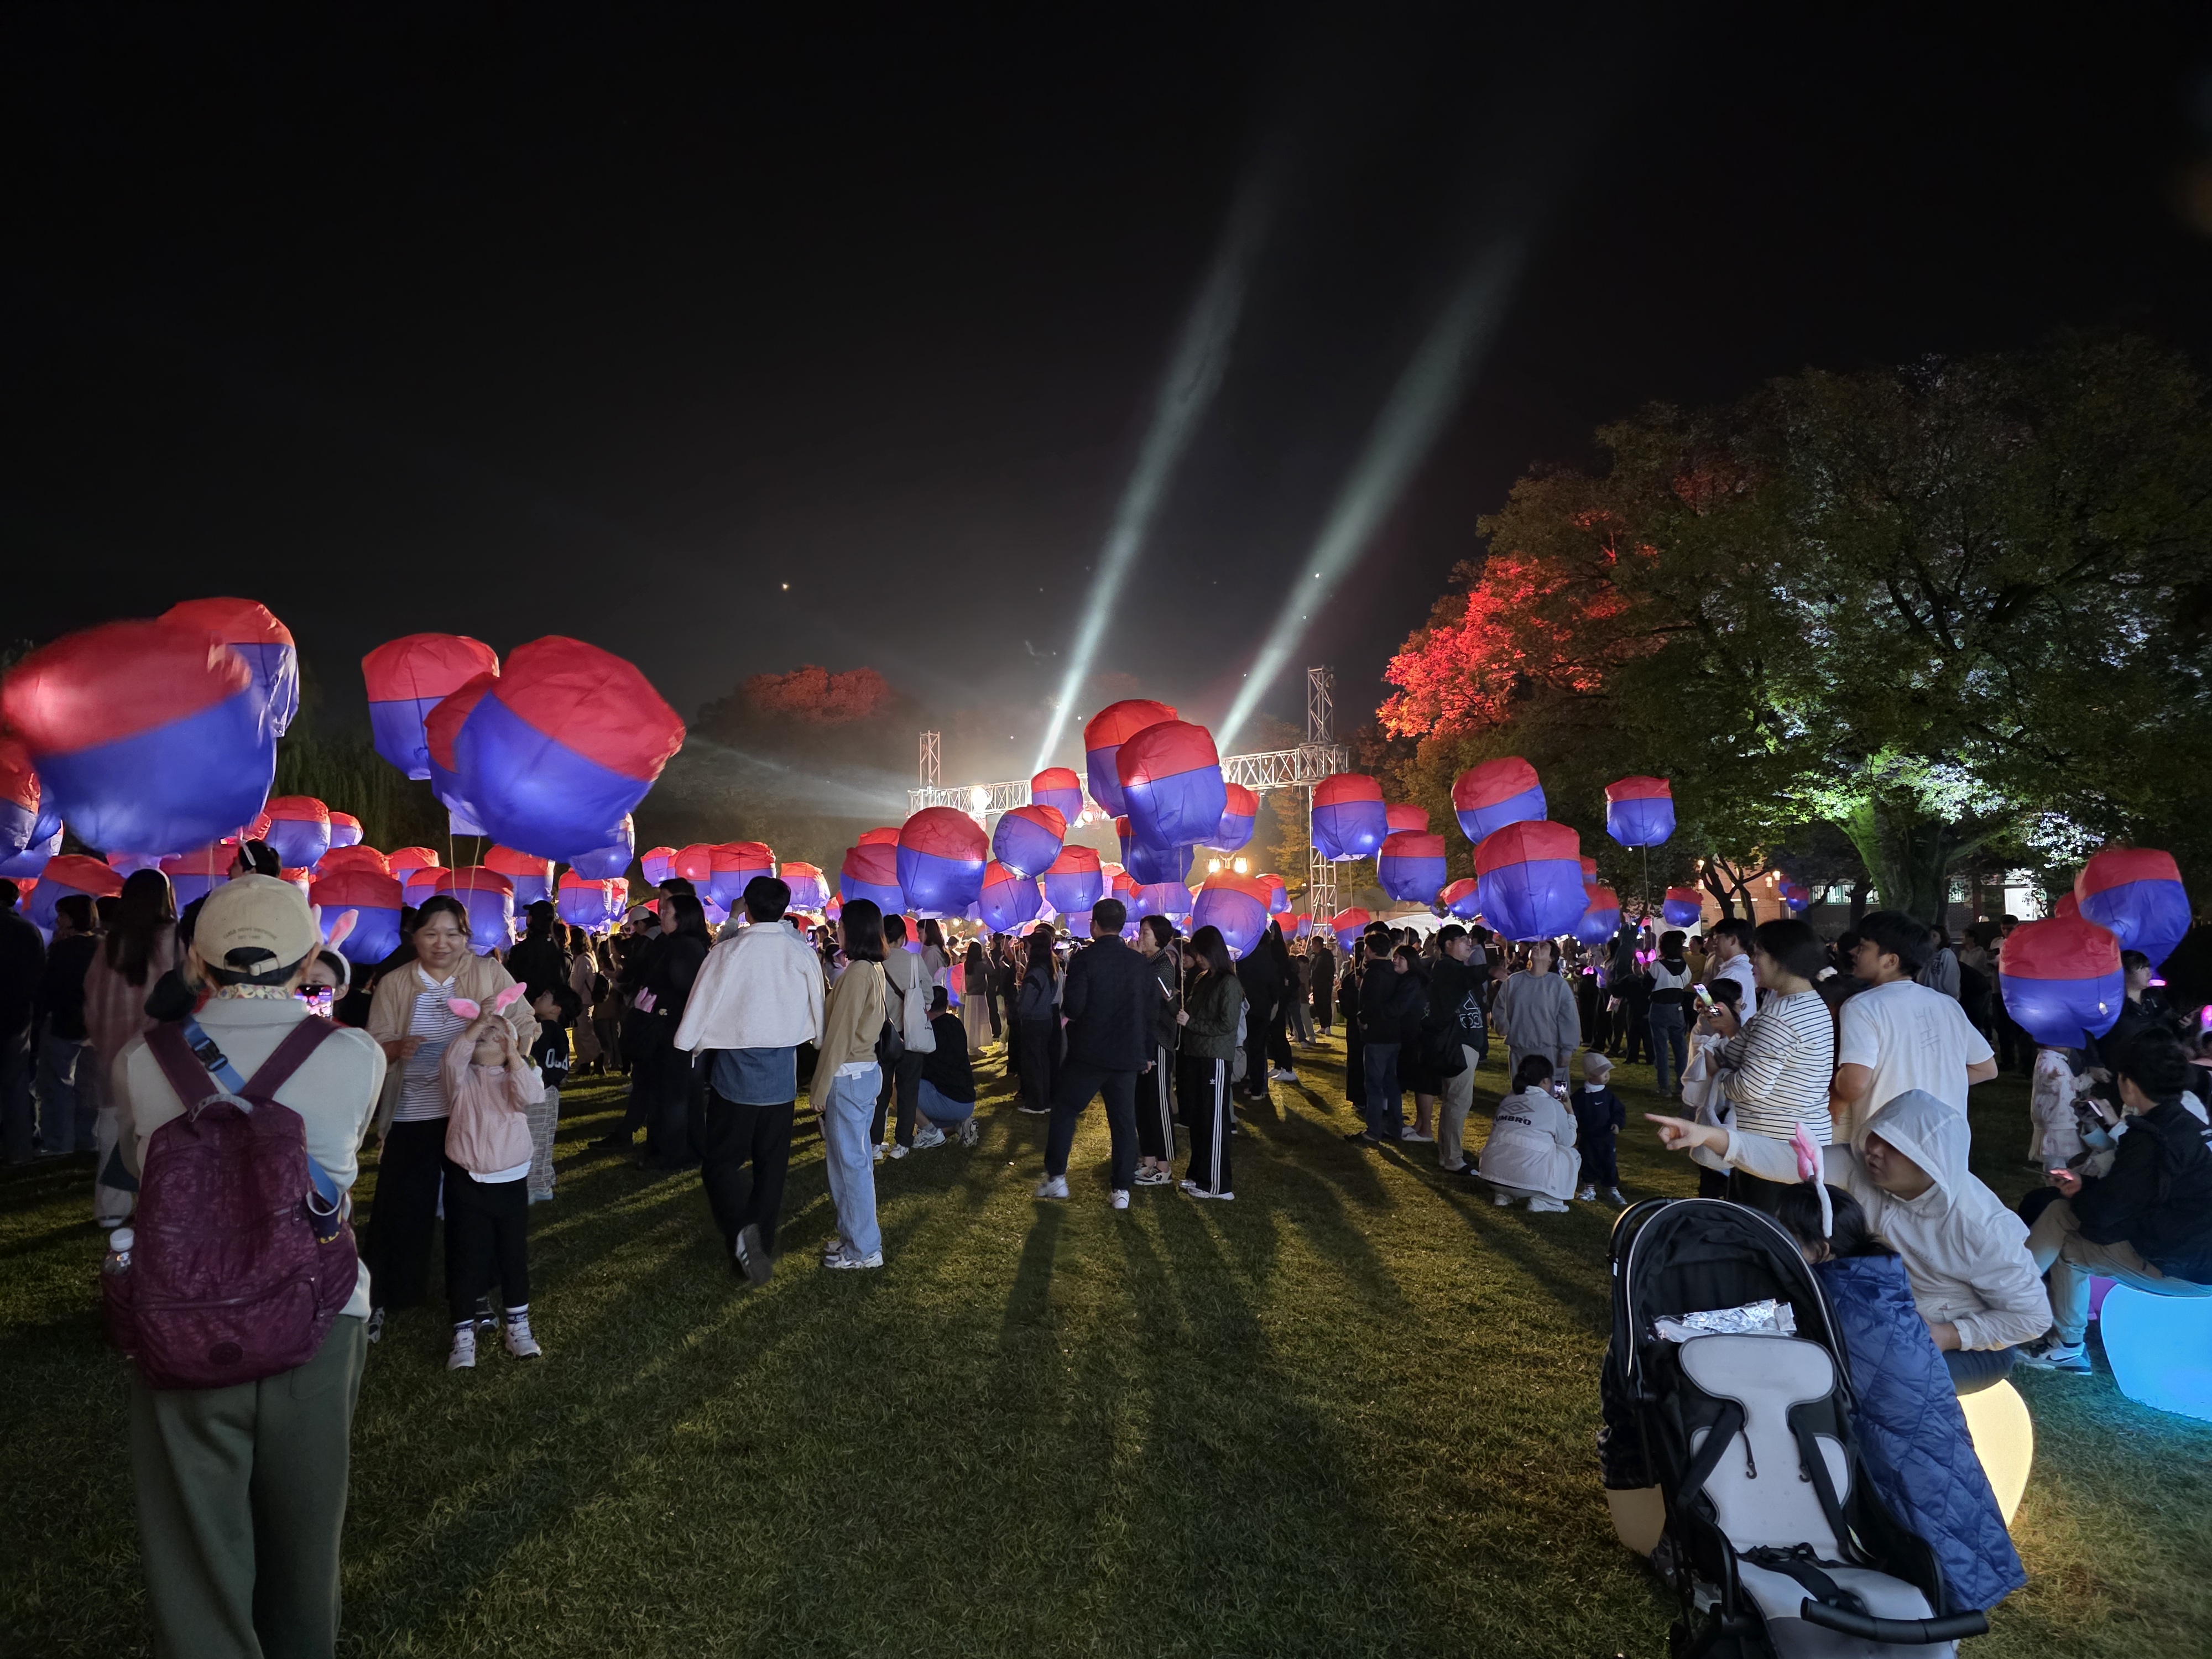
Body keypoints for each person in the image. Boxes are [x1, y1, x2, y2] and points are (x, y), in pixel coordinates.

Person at [111, 874, 385, 1658]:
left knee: (195, 1540)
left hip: (181, 1313)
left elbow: (138, 1164)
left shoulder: (143, 1059)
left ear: (196, 961)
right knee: (307, 1531)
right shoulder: (355, 1054)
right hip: (318, 1314)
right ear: (311, 960)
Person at [1649, 1088, 2049, 1394]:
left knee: (1856, 1379)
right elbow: (1786, 1161)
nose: (1874, 1150)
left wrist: (1949, 1335)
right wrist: (1709, 1135)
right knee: (1801, 1351)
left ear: (1931, 1162)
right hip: (1884, 1316)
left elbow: (2032, 1318)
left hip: (1969, 1345)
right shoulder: (1864, 1170)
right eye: (1876, 1135)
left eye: (1893, 1147)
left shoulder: (1981, 1227)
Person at [1768, 1181, 2027, 1615]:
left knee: (1919, 1499)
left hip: (1896, 1428)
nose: (1776, 1242)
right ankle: (1958, 1584)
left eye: (1786, 1235)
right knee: (1943, 1492)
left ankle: (1947, 1593)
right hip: (1919, 1419)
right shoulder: (1873, 1281)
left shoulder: (1841, 1301)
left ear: (1821, 1250)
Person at [362, 895, 533, 1339]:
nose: (442, 943)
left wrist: (509, 1058)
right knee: (400, 1206)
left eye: (453, 934)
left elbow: (525, 1021)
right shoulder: (394, 983)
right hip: (414, 1110)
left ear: (467, 937)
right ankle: (386, 1294)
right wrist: (396, 1048)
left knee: (474, 1209)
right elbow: (373, 1043)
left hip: (473, 1111)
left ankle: (476, 1293)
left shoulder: (487, 973)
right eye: (431, 933)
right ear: (414, 936)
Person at [2017, 1034, 2212, 1375]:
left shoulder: (2152, 1138)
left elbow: (2103, 1215)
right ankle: (2009, 1292)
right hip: (2189, 1247)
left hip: (2187, 1267)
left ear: (2129, 1085)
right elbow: (2131, 1194)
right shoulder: (2187, 1123)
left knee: (2071, 1249)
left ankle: (2063, 1343)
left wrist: (2081, 1192)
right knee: (2061, 1212)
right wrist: (2084, 1188)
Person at [675, 875, 826, 1282]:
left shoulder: (729, 952)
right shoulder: (800, 951)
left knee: (721, 1163)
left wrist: (689, 1041)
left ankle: (744, 1232)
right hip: (780, 1075)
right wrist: (818, 1037)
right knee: (771, 1167)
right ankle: (760, 1242)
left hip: (736, 1075)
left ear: (748, 907)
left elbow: (702, 999)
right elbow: (817, 1002)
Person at [1697, 917, 1838, 1203]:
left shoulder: (1779, 1017)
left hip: (1770, 1149)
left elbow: (1750, 1087)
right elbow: (1759, 1058)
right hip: (1801, 1142)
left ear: (1781, 959)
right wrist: (1732, 1030)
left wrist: (1719, 1075)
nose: (1752, 962)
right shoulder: (1812, 1004)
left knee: (1760, 1224)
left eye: (1758, 953)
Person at [440, 999, 547, 1368]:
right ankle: (463, 1334)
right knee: (466, 1256)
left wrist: (514, 1056)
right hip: (466, 1183)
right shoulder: (461, 1079)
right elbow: (452, 1060)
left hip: (511, 1183)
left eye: (498, 1033)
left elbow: (532, 1097)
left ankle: (518, 1327)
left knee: (513, 1256)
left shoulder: (517, 1076)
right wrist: (477, 1025)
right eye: (482, 1033)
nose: (489, 1035)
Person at [1833, 911, 1998, 1146]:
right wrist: (1933, 1084)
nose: (1854, 953)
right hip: (1948, 1140)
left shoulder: (1862, 1006)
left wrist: (1838, 1094)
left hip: (1889, 1145)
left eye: (1863, 948)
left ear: (1890, 961)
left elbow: (1855, 1083)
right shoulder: (1948, 1005)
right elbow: (1986, 1069)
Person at [1036, 898, 1150, 1209]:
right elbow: (1148, 1010)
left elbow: (1074, 1006)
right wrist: (1146, 1050)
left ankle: (1057, 1177)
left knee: (1066, 1109)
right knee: (1123, 1121)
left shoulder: (1085, 959)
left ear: (1094, 925)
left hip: (1090, 1052)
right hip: (1126, 1052)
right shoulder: (1138, 963)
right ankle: (1122, 1189)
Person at [86, 870, 179, 1222]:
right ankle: (162, 1209)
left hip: (114, 1053)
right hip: (162, 1055)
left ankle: (111, 1209)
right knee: (163, 1136)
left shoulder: (109, 945)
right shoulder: (175, 941)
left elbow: (92, 1002)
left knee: (113, 1132)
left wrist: (103, 1041)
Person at [811, 899, 888, 1269]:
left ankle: (864, 1248)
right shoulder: (869, 968)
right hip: (861, 1071)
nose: (837, 929)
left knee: (850, 1166)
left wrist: (819, 1087)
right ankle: (853, 1237)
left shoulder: (859, 972)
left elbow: (840, 1036)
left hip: (849, 1074)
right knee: (851, 1164)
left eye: (841, 924)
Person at [636, 894, 712, 1170]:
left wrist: (655, 1001)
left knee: (672, 1095)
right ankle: (688, 1148)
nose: (661, 916)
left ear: (682, 918)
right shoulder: (686, 945)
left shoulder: (683, 948)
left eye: (666, 911)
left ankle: (671, 1153)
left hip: (674, 1032)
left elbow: (684, 989)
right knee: (682, 1094)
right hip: (680, 1031)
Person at [1175, 924, 1242, 1199]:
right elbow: (1191, 1010)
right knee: (1199, 1119)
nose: (1198, 958)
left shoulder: (1229, 983)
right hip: (1196, 1055)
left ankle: (1217, 1184)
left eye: (1201, 953)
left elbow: (1227, 1024)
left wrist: (1192, 1023)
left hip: (1215, 1058)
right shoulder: (1203, 978)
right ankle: (1198, 1173)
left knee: (1214, 1121)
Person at [33, 891, 97, 1160]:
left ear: (72, 918)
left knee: (58, 1086)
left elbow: (49, 988)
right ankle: (87, 1138)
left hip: (63, 1022)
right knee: (88, 1087)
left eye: (62, 915)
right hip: (94, 1026)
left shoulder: (64, 949)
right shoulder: (103, 946)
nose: (58, 920)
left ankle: (59, 1141)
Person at [1345, 936, 1421, 1147]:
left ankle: (1373, 1131)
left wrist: (1363, 1019)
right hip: (1394, 1035)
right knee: (1391, 1083)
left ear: (1369, 950)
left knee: (1374, 1085)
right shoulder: (1393, 972)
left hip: (1378, 1036)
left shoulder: (1374, 973)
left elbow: (1370, 1004)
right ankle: (1394, 1127)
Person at [1478, 1055, 1578, 1212]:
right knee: (1572, 1154)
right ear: (1545, 1081)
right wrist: (1570, 1113)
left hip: (1491, 1177)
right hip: (1526, 1183)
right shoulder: (1552, 1105)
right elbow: (1567, 1141)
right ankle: (1547, 1201)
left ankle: (1504, 1195)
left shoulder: (1508, 1099)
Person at [1429, 925, 1488, 1175]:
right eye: (1463, 939)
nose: (1469, 944)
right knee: (1458, 1101)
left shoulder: (1455, 969)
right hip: (1459, 1043)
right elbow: (1467, 977)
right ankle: (1453, 1158)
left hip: (1465, 1042)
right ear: (1449, 945)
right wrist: (1490, 970)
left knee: (1455, 1100)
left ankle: (1447, 1154)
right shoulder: (1446, 968)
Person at [875, 914, 933, 1159]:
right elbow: (929, 997)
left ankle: (874, 1143)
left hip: (882, 1036)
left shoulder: (875, 963)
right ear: (902, 937)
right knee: (908, 1090)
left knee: (881, 1091)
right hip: (910, 1034)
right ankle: (903, 1144)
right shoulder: (914, 961)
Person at [0, 878, 45, 1165]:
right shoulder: (28, 931)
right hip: (16, 1016)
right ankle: (19, 1150)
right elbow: (38, 975)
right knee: (16, 1084)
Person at [1134, 914, 1181, 1187]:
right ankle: (1149, 1158)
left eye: (1146, 932)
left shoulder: (1163, 965)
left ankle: (1164, 1165)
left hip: (1159, 1043)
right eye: (1141, 931)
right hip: (1145, 1043)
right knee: (1144, 1102)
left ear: (1159, 938)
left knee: (1159, 1103)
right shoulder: (1149, 963)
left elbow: (1150, 997)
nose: (1141, 937)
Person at [1493, 937, 1579, 1082]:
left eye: (1543, 946)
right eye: (1535, 945)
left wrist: (1567, 1050)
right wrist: (1503, 1025)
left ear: (1551, 959)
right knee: (1523, 1092)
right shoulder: (1513, 981)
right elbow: (1500, 1006)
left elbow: (1569, 1018)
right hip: (1519, 1050)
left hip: (1549, 1051)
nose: (1536, 947)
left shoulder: (1558, 985)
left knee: (1551, 1092)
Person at [524, 984, 576, 1201]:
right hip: (551, 1093)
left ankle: (528, 1188)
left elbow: (530, 1062)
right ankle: (543, 1184)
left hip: (535, 1092)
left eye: (546, 995)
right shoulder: (561, 1034)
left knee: (529, 1140)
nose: (539, 997)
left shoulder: (540, 1031)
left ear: (556, 1009)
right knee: (544, 1139)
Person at [918, 987, 980, 1146]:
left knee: (899, 1090)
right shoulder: (955, 1023)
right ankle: (956, 1126)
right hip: (967, 1099)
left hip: (950, 1100)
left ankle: (931, 1133)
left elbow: (923, 1068)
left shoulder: (930, 1031)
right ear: (946, 1004)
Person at [1235, 920, 1287, 1105]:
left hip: (1245, 1007)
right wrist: (1274, 1002)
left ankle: (1250, 1082)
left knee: (1247, 1046)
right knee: (1259, 1049)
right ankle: (1259, 1087)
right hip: (1263, 1008)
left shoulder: (1243, 958)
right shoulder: (1269, 960)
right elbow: (1274, 987)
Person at [1012, 922, 1061, 1114]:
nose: (1025, 949)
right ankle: (1044, 1101)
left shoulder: (1035, 972)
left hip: (1034, 1021)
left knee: (1033, 1063)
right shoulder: (1050, 969)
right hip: (1047, 1019)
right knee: (1043, 1061)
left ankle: (1036, 1103)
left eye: (1028, 946)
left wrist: (1018, 1008)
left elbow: (1027, 1003)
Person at [1572, 1052, 1626, 1204]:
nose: (1607, 1076)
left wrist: (1616, 1123)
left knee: (1609, 1163)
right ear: (1590, 1075)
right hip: (1588, 1138)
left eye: (1608, 1072)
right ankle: (1589, 1188)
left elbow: (1618, 1111)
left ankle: (1612, 1189)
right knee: (1589, 1162)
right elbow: (1573, 1114)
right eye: (1603, 1073)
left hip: (1606, 1138)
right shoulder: (1581, 1096)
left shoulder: (1608, 1095)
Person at [1645, 931, 1693, 1097]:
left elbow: (1646, 986)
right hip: (1677, 1009)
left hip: (1659, 1009)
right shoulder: (1685, 966)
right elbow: (1686, 982)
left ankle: (1664, 1087)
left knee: (1661, 1050)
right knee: (1680, 1049)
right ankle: (1682, 1086)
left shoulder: (1657, 966)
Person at [504, 900, 570, 1005]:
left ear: (530, 919)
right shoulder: (558, 950)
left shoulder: (520, 950)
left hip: (525, 1007)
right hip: (550, 1008)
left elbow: (512, 983)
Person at [1702, 916, 1760, 1014]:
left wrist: (1702, 996)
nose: (1714, 942)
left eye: (1717, 937)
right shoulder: (1745, 966)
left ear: (1733, 940)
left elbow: (1714, 1010)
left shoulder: (1732, 973)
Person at [958, 940, 992, 1056]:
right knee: (979, 1020)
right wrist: (988, 958)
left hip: (970, 997)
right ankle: (975, 1047)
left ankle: (972, 1046)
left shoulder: (968, 964)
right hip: (979, 996)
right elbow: (992, 971)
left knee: (971, 1022)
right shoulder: (980, 965)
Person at [1917, 924, 1961, 1000]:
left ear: (1942, 938)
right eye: (1929, 936)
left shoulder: (1947, 954)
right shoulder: (1929, 955)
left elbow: (1951, 978)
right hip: (1928, 997)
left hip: (1943, 998)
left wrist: (1952, 997)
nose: (1931, 939)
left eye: (1935, 936)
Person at [1309, 935, 1335, 1037]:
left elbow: (1329, 969)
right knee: (1318, 1004)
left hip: (1325, 985)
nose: (1311, 946)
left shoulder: (1326, 955)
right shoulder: (1314, 956)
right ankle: (1323, 1026)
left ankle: (1327, 1026)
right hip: (1316, 985)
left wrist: (1329, 982)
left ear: (1317, 944)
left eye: (1313, 944)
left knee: (1326, 1004)